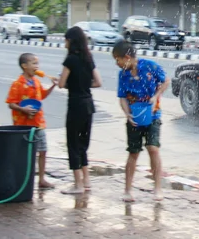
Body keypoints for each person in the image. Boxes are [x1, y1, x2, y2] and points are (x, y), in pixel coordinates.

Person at [113, 40, 170, 203]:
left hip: (153, 115)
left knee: (153, 148)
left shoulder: (150, 66)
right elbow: (122, 98)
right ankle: (128, 190)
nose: (117, 63)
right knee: (133, 152)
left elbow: (166, 81)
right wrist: (127, 115)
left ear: (127, 57)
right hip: (134, 118)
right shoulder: (123, 74)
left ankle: (158, 188)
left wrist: (155, 96)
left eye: (118, 59)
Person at [57, 26, 102, 195]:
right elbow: (98, 82)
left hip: (75, 105)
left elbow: (61, 84)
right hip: (88, 105)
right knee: (83, 144)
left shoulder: (70, 60)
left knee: (73, 144)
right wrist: (82, 84)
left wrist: (69, 83)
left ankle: (78, 184)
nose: (65, 44)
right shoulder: (88, 58)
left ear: (71, 41)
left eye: (66, 40)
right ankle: (87, 181)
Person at [6, 53, 58, 189]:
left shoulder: (36, 81)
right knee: (25, 153)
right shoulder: (17, 84)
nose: (37, 66)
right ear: (24, 66)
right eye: (34, 63)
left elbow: (43, 95)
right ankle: (24, 178)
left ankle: (41, 179)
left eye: (37, 64)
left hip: (38, 123)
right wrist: (24, 109)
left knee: (43, 150)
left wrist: (52, 86)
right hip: (23, 125)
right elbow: (11, 103)